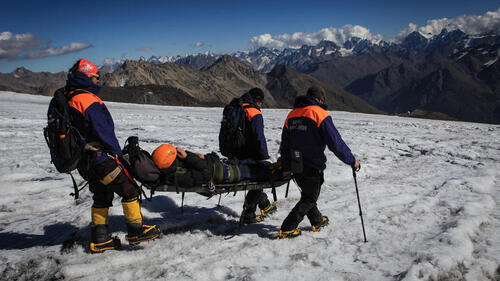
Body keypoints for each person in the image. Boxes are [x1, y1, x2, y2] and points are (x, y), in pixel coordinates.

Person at [66, 58, 161, 253]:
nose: (98, 81)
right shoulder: (87, 99)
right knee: (130, 189)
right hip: (101, 158)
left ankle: (100, 238)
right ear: (87, 76)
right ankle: (136, 231)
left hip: (85, 161)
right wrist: (118, 155)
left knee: (102, 195)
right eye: (95, 77)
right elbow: (104, 131)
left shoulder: (69, 96)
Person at [278, 86, 360, 239]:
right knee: (309, 198)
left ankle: (317, 220)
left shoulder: (292, 114)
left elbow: (285, 144)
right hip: (312, 164)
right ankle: (287, 227)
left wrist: (286, 166)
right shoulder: (319, 113)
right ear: (319, 99)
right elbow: (336, 143)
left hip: (296, 164)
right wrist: (352, 160)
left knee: (308, 194)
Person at [234, 88, 277, 224]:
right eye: (261, 102)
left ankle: (264, 205)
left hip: (236, 153)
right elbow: (259, 137)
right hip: (249, 154)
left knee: (256, 179)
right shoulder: (254, 112)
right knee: (260, 177)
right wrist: (265, 155)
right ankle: (249, 213)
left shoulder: (237, 108)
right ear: (257, 100)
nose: (261, 105)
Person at [151, 144, 279, 188]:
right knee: (253, 171)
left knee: (250, 163)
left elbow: (199, 166)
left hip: (218, 166)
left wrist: (192, 156)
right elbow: (205, 174)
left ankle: (269, 167)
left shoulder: (175, 165)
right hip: (222, 173)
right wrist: (189, 157)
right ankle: (275, 171)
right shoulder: (179, 175)